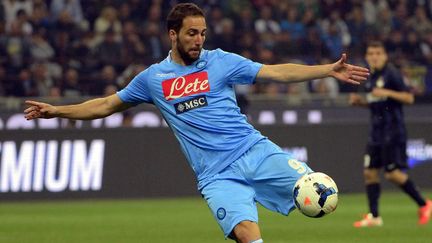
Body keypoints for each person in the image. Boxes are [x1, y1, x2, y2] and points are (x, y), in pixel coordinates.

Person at [24, 3, 369, 243]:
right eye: (191, 33)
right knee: (248, 235)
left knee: (316, 187)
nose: (199, 40)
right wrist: (58, 111)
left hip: (255, 152)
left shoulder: (221, 61)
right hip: (216, 175)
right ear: (172, 35)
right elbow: (106, 105)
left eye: (203, 33)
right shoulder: (153, 78)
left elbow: (275, 72)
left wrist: (327, 69)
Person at [350, 41, 432, 228]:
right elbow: (377, 103)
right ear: (367, 57)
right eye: (371, 53)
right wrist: (360, 103)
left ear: (385, 56)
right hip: (376, 132)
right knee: (369, 173)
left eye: (378, 53)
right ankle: (375, 217)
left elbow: (409, 98)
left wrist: (386, 91)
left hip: (393, 131)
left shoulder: (392, 73)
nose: (375, 56)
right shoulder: (371, 78)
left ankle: (424, 203)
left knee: (393, 174)